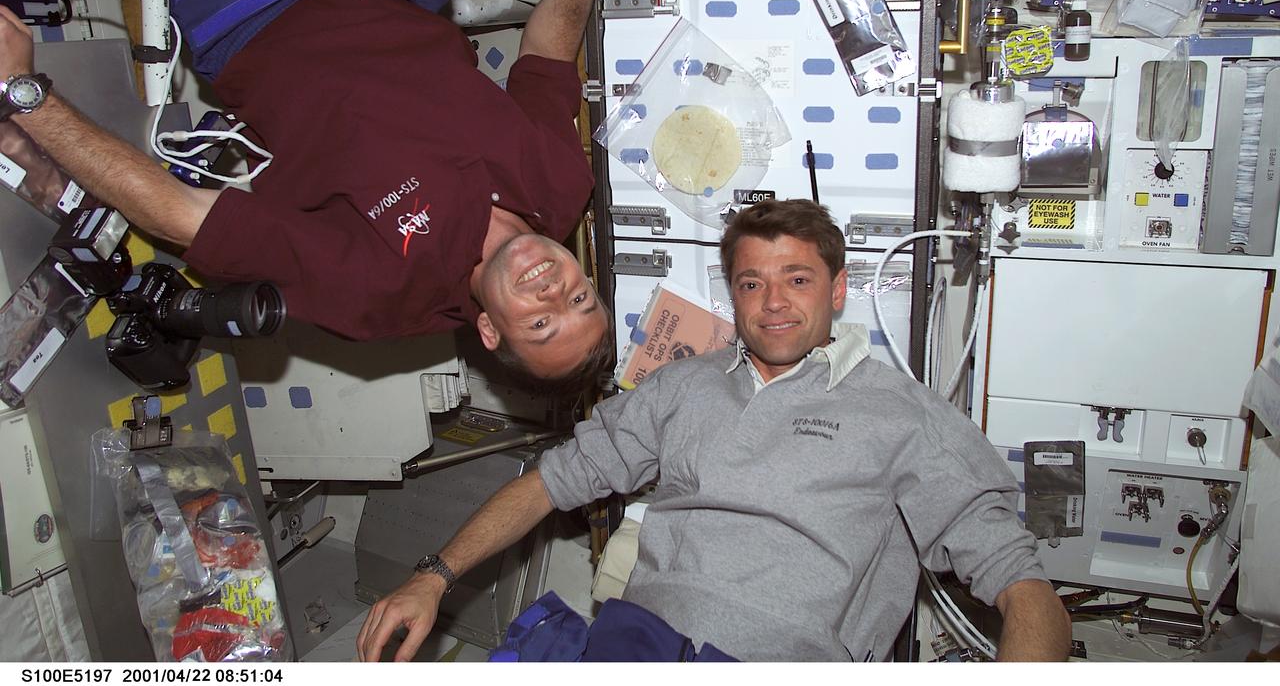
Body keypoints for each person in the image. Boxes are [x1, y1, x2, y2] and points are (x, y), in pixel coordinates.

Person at [0, 0, 627, 390]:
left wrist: (27, 99)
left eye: (539, 324)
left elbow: (179, 214)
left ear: (489, 332)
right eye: (579, 300)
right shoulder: (562, 184)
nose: (552, 291)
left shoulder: (379, 293)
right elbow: (544, 62)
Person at [355, 198, 1072, 662]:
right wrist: (432, 576)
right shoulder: (682, 387)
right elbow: (549, 483)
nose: (773, 303)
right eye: (752, 282)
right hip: (634, 647)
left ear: (839, 288)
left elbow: (1024, 589)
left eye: (797, 279)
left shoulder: (903, 413)